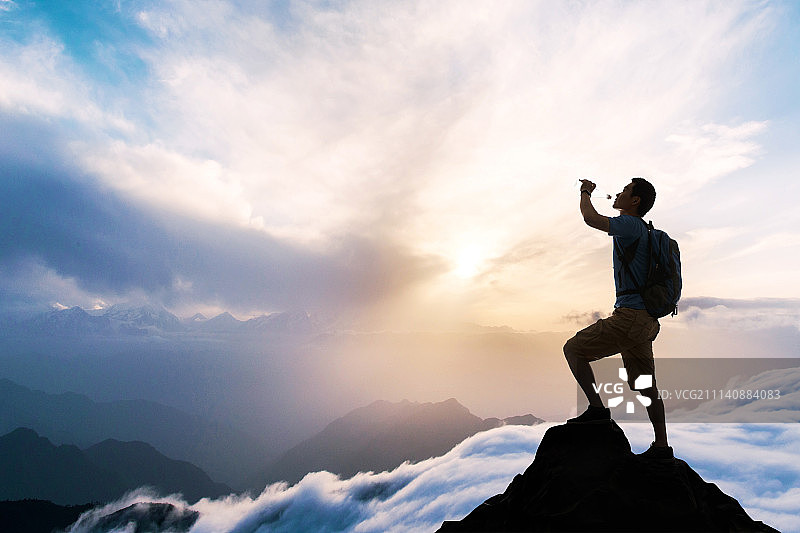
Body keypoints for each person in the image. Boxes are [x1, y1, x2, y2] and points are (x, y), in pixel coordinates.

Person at [564, 177, 672, 459]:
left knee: (574, 350)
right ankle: (662, 446)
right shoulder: (646, 231)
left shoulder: (630, 224)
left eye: (625, 191)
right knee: (645, 385)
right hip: (646, 322)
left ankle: (598, 410)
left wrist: (586, 191)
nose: (620, 193)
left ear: (635, 201)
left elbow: (590, 218)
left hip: (630, 318)